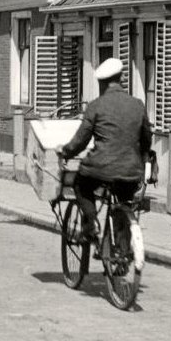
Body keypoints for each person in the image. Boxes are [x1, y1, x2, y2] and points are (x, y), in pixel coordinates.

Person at [59, 58, 152, 242]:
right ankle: (122, 251)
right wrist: (143, 159)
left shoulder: (96, 106)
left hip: (100, 168)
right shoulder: (138, 105)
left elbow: (81, 140)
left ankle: (91, 222)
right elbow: (146, 138)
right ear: (121, 78)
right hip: (131, 171)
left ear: (101, 83)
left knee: (80, 184)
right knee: (124, 201)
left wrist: (65, 153)